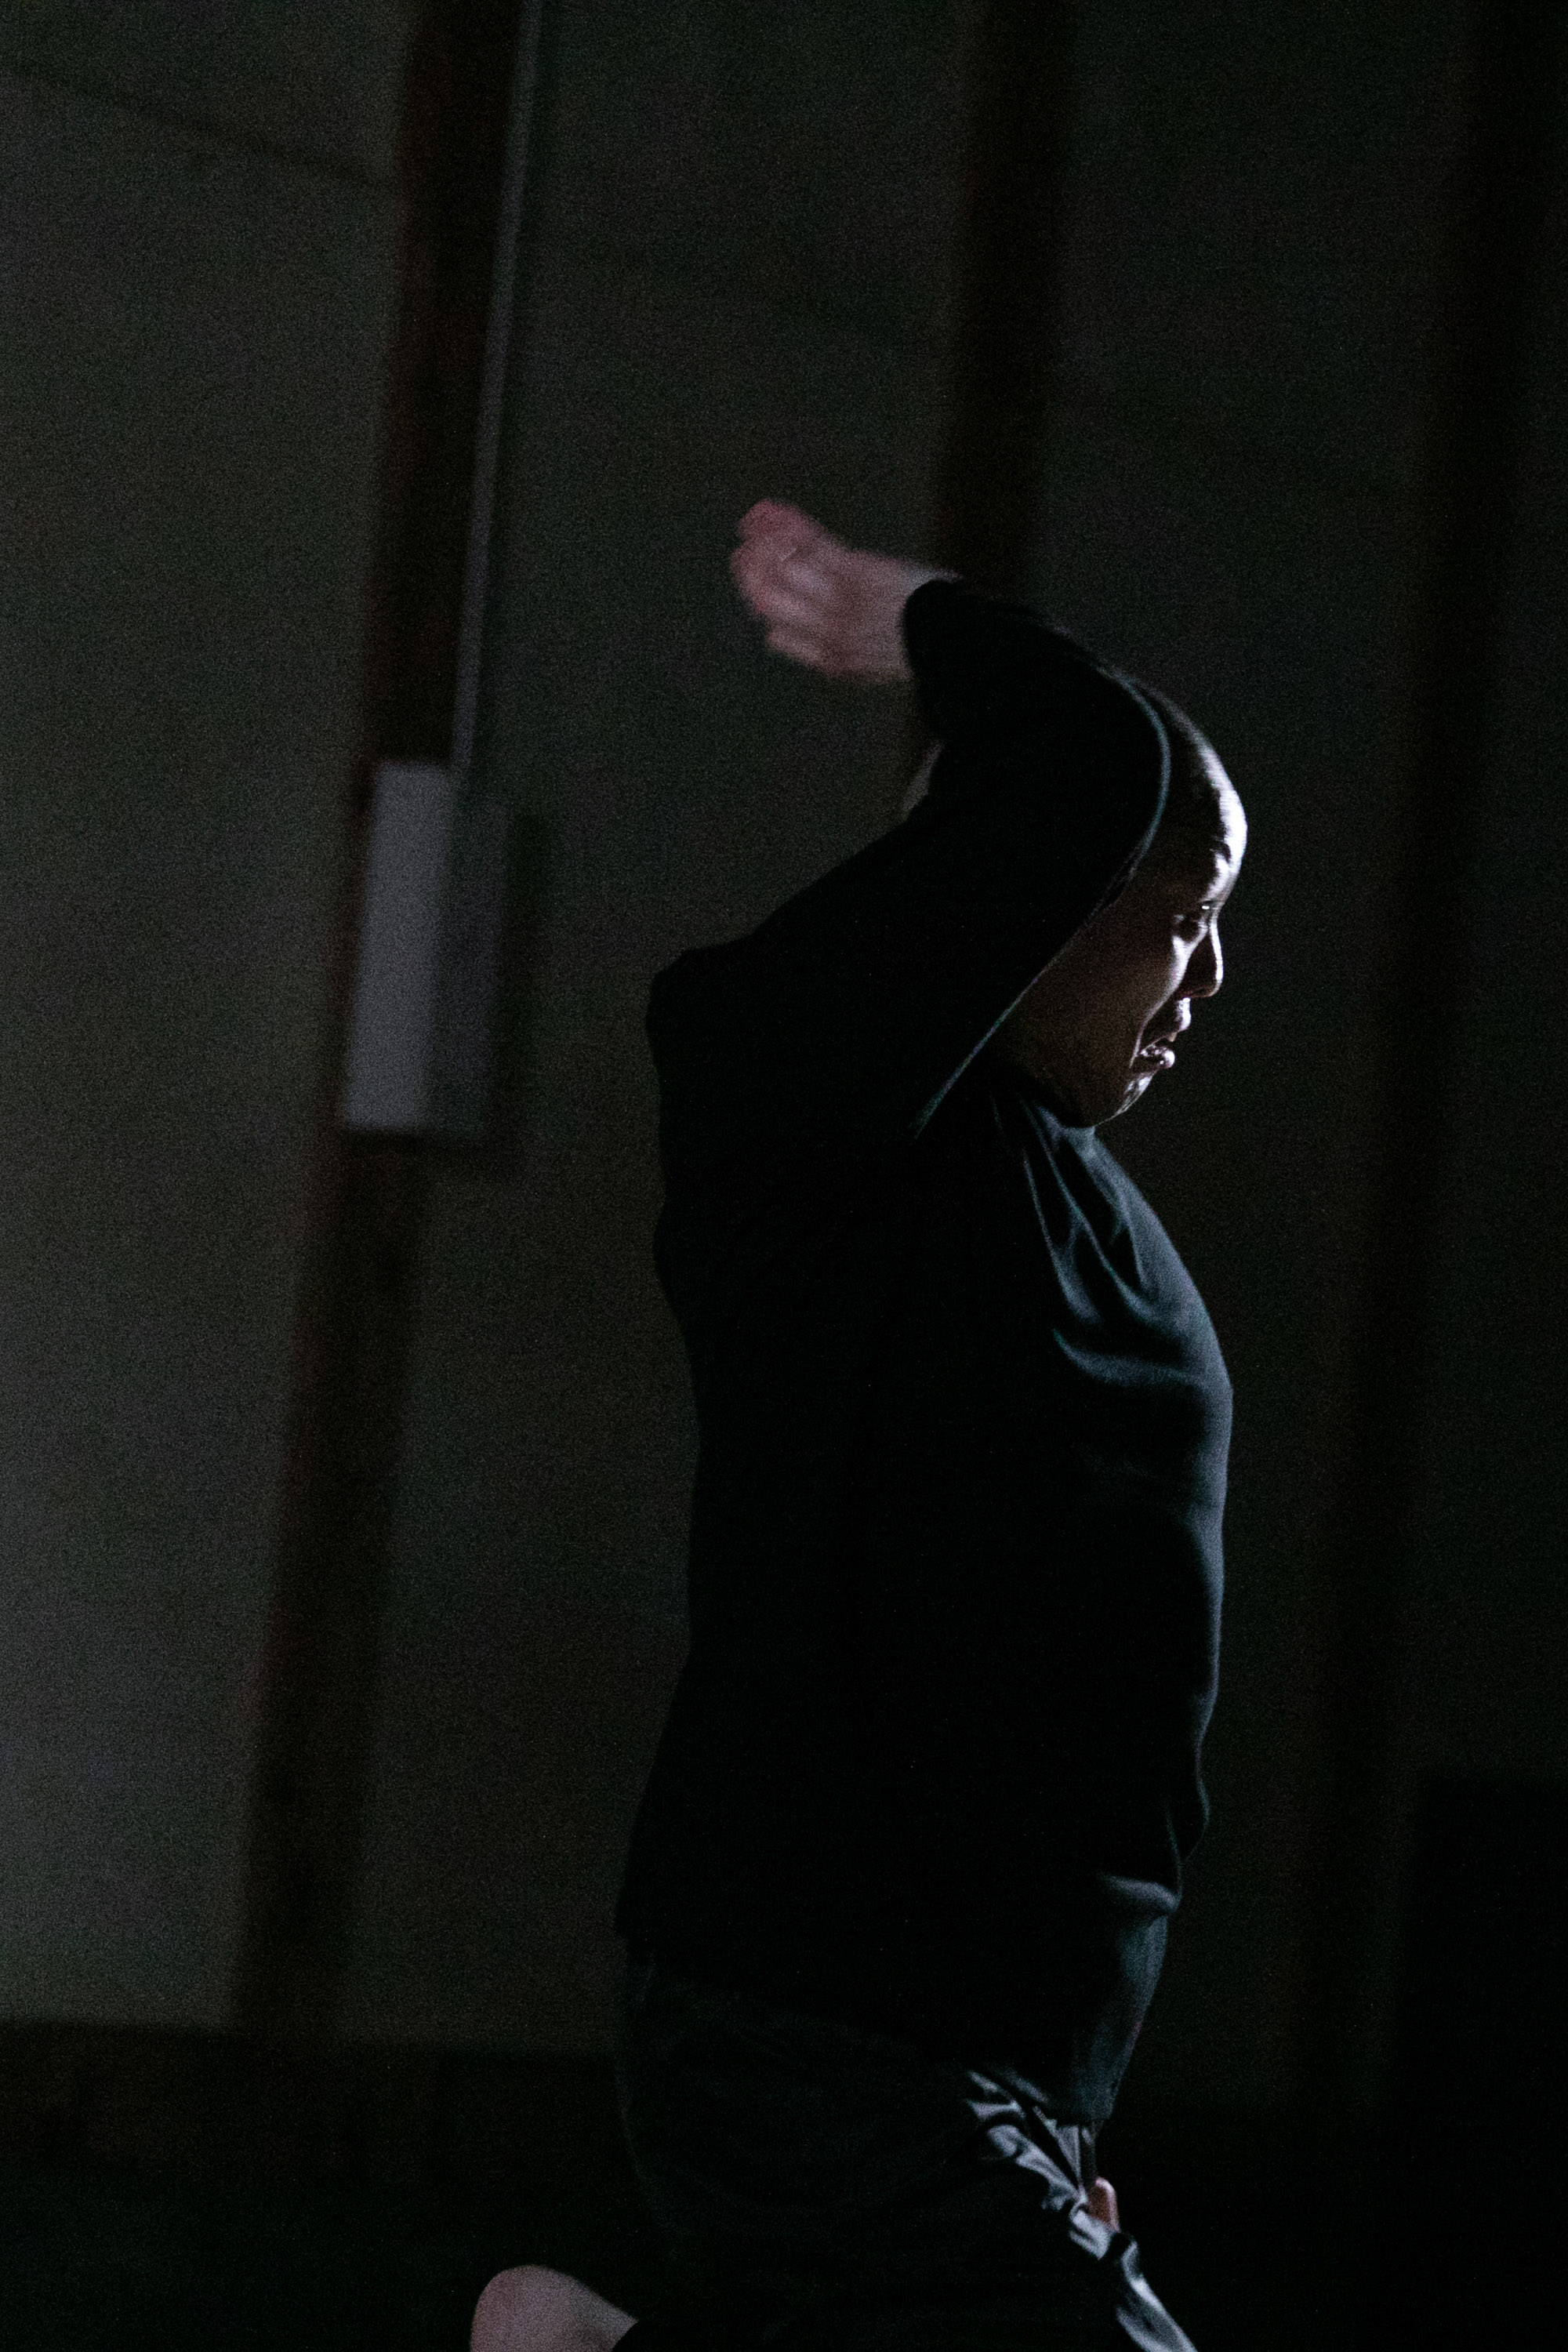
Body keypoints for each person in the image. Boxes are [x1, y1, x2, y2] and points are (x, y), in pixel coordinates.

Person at [474, 501, 1246, 2352]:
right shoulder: (798, 1096)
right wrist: (926, 623)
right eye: (1179, 921)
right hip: (811, 2022)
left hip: (978, 2058)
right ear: (1044, 896)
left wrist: (1052, 2091)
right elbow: (1097, 762)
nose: (1206, 983)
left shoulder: (1062, 1196)